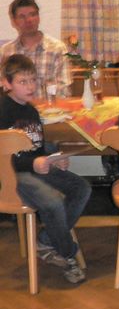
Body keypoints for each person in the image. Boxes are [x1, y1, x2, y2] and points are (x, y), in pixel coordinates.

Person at [0, 54, 89, 284]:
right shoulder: (3, 110)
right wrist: (33, 163)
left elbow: (36, 147)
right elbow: (6, 156)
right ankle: (68, 254)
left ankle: (46, 241)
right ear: (7, 83)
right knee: (53, 202)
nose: (30, 86)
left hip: (34, 169)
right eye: (23, 81)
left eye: (33, 80)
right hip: (13, 175)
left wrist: (52, 159)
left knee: (82, 187)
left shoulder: (31, 111)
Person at [0, 0, 71, 99]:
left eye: (32, 14)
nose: (28, 20)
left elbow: (64, 89)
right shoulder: (6, 51)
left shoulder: (57, 48)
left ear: (38, 17)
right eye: (22, 17)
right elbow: (3, 86)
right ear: (14, 21)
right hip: (17, 108)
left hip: (49, 108)